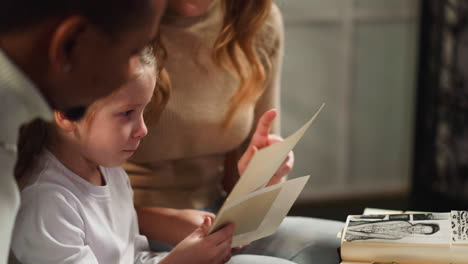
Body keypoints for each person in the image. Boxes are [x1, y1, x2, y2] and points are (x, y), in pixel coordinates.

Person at [10, 48, 296, 264]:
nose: (143, 129)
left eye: (143, 112)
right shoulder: (46, 204)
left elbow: (134, 256)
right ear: (66, 114)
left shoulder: (109, 172)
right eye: (126, 114)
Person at [125, 0, 344, 263]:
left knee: (350, 247)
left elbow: (239, 183)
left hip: (218, 220)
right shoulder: (112, 22)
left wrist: (264, 177)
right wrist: (165, 222)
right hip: (126, 227)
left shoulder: (252, 17)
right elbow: (72, 198)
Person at [0, 1, 166, 263]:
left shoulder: (110, 172)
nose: (133, 69)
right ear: (71, 43)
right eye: (132, 52)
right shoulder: (43, 199)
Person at [345, 221, 440, 241]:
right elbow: (372, 224)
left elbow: (370, 234)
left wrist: (349, 231)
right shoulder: (403, 222)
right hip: (363, 224)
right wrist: (349, 228)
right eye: (422, 227)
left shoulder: (399, 237)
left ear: (421, 234)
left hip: (360, 234)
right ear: (420, 224)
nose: (418, 229)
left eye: (422, 231)